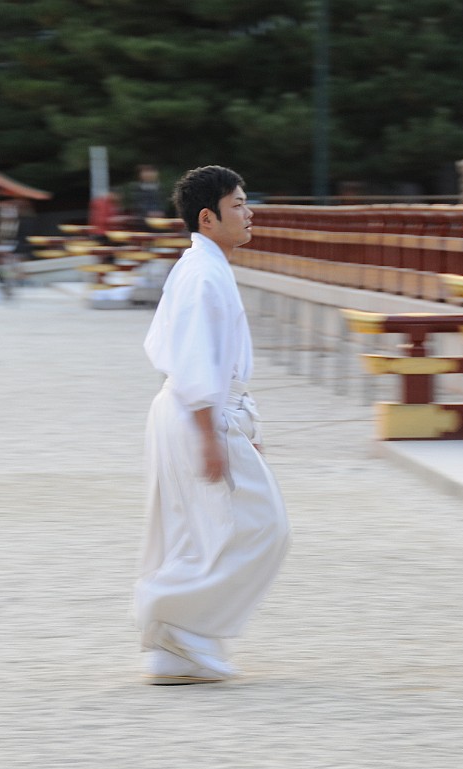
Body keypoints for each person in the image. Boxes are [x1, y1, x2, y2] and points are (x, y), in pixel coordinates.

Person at [134, 165, 290, 685]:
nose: (250, 213)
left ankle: (177, 652)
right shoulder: (202, 273)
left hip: (194, 408)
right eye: (239, 204)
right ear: (209, 216)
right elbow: (197, 360)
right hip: (197, 410)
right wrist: (210, 436)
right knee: (265, 527)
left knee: (195, 532)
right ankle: (176, 620)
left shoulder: (202, 266)